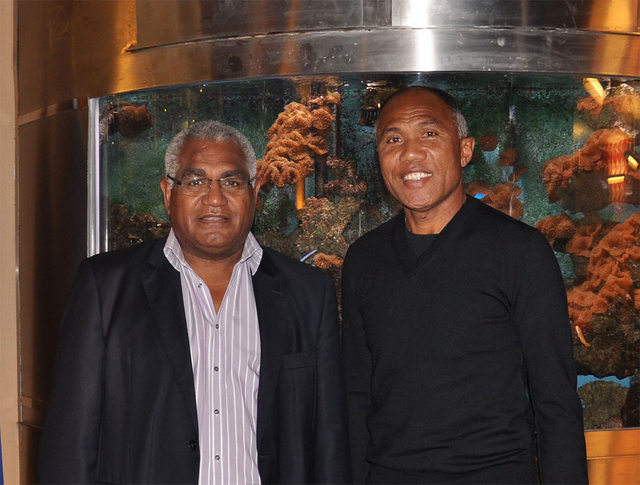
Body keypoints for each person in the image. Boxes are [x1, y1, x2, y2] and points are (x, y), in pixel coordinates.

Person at [39, 120, 351, 484]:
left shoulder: (308, 292)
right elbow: (71, 442)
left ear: (255, 192)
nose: (215, 198)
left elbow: (329, 442)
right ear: (168, 193)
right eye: (196, 181)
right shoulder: (105, 287)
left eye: (232, 182)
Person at [341, 86, 588, 484]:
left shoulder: (519, 251)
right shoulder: (364, 260)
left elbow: (556, 401)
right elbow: (356, 397)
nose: (411, 154)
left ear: (465, 150)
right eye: (393, 139)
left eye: (429, 134)